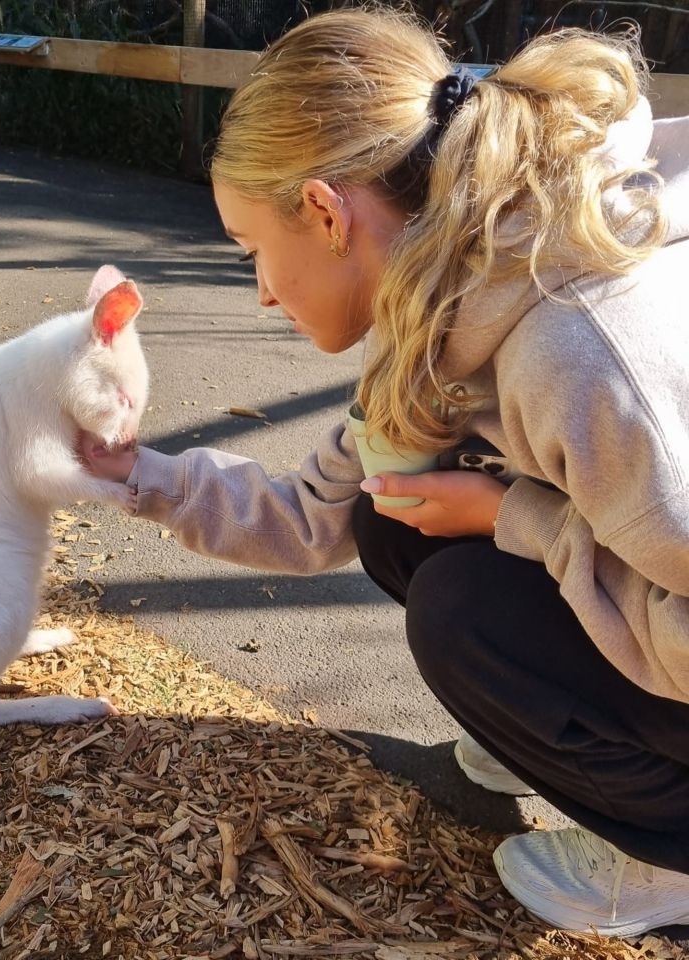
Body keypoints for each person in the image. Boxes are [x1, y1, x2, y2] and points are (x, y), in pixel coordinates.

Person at [82, 4, 689, 938]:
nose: (262, 294)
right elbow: (316, 514)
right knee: (391, 518)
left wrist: (510, 518)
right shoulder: (444, 300)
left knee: (465, 615)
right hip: (645, 578)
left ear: (326, 212)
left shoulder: (584, 354)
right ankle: (560, 736)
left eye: (254, 254)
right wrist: (135, 473)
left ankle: (665, 855)